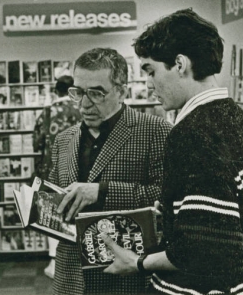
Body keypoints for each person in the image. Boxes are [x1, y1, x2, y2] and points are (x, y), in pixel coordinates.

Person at [100, 9, 243, 295]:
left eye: (150, 70)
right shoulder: (241, 120)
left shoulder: (192, 132)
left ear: (180, 64)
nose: (148, 83)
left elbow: (205, 250)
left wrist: (139, 262)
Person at [49, 48, 172, 294]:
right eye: (78, 92)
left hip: (127, 278)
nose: (84, 104)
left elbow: (167, 197)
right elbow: (56, 196)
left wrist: (102, 192)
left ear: (121, 91)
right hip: (71, 279)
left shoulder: (156, 131)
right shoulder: (63, 140)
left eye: (96, 93)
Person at [33, 75, 83, 279]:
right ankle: (80, 261)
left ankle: (55, 262)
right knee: (78, 210)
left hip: (51, 168)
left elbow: (36, 142)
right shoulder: (81, 110)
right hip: (81, 169)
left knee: (52, 213)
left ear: (56, 91)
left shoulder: (47, 113)